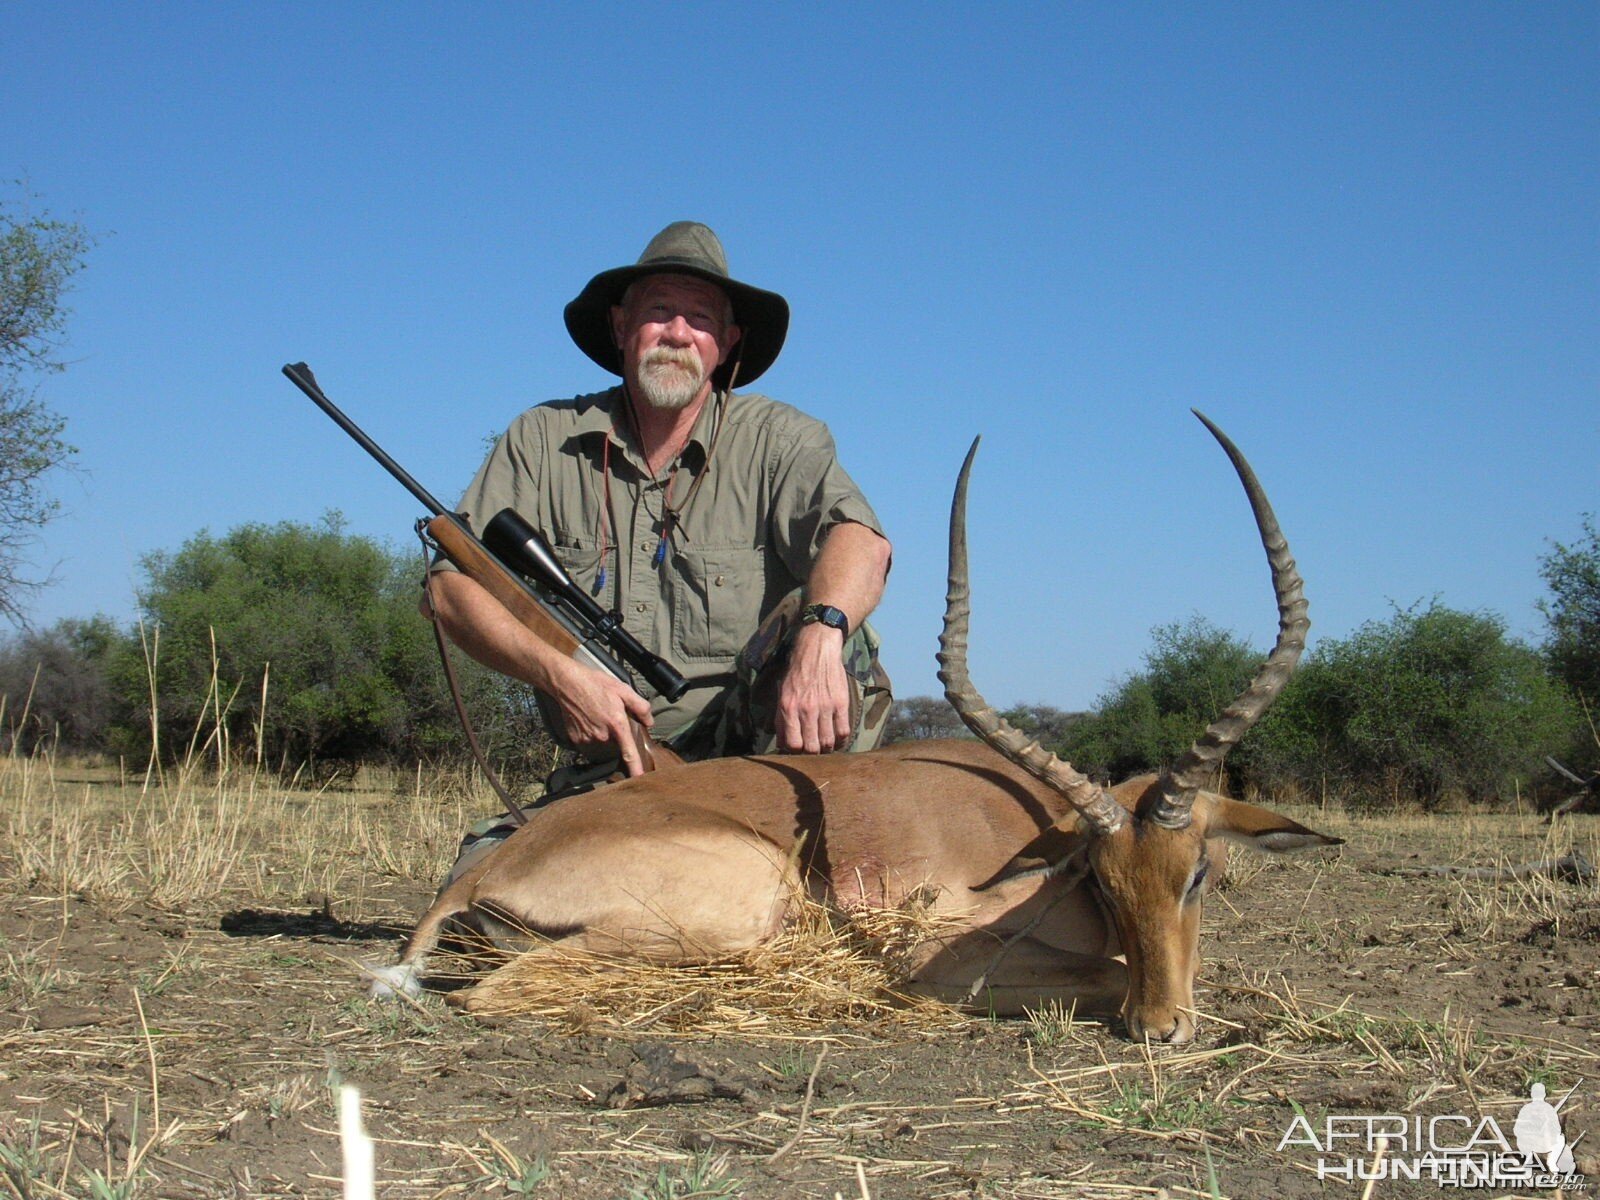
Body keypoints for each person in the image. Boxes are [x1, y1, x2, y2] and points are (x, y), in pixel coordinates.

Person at [427, 221, 893, 781]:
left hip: (754, 755)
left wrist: (822, 632)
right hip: (616, 760)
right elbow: (451, 588)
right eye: (659, 311)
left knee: (837, 627)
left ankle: (821, 826)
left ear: (727, 343)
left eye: (700, 319)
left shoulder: (782, 439)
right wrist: (559, 674)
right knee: (483, 869)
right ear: (622, 327)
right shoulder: (541, 438)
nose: (677, 332)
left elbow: (861, 540)